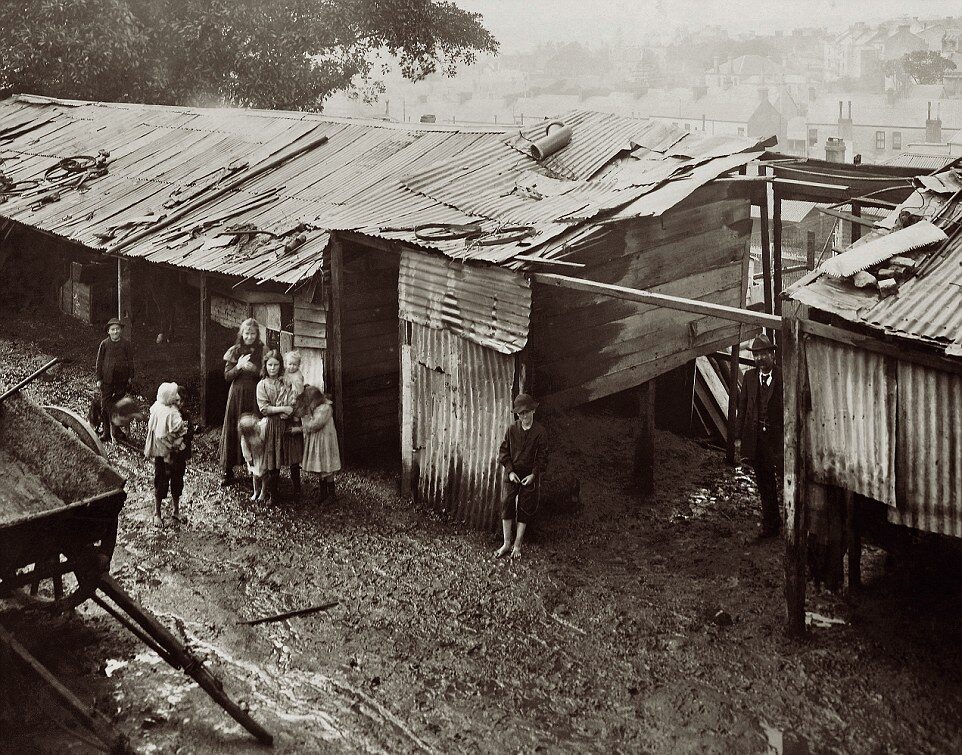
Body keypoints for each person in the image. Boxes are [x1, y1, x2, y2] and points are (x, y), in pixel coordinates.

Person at [735, 334, 784, 539]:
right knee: (764, 482)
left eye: (764, 354)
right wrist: (738, 438)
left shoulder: (783, 377)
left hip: (778, 442)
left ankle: (790, 523)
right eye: (756, 355)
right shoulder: (749, 378)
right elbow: (743, 407)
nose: (760, 359)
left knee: (785, 481)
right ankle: (771, 524)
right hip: (757, 440)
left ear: (772, 355)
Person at [495, 393, 547, 560]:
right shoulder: (512, 430)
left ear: (533, 411)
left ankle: (517, 544)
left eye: (526, 412)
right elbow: (504, 452)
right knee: (506, 503)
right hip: (512, 473)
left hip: (529, 475)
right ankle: (506, 543)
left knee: (524, 506)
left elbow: (542, 457)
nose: (524, 416)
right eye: (520, 413)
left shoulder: (540, 432)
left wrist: (533, 474)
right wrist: (510, 472)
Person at [219, 318, 264, 486]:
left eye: (253, 333)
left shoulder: (262, 350)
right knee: (233, 428)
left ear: (257, 334)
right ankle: (228, 470)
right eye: (247, 333)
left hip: (255, 395)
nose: (250, 337)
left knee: (253, 429)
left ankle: (257, 470)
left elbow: (268, 373)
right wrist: (238, 367)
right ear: (241, 334)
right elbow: (227, 376)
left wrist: (255, 370)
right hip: (237, 395)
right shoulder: (235, 351)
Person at [144, 382, 188, 527]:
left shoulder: (180, 413)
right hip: (162, 455)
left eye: (180, 399)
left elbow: (187, 431)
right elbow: (159, 432)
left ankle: (176, 510)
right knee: (161, 482)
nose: (178, 400)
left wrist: (183, 437)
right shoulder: (161, 411)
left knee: (177, 482)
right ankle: (157, 513)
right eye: (175, 397)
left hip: (178, 456)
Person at [256, 350, 297, 502]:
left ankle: (296, 491)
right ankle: (273, 494)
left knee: (290, 457)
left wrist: (289, 410)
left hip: (286, 424)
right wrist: (282, 409)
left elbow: (292, 400)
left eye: (276, 365)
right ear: (265, 366)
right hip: (272, 426)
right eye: (270, 365)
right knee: (273, 460)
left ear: (280, 366)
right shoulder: (262, 385)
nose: (272, 368)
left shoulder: (285, 383)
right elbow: (264, 409)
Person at [292, 385, 341, 505]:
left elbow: (315, 425)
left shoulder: (325, 408)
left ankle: (332, 494)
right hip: (317, 440)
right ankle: (323, 493)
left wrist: (300, 429)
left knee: (327, 467)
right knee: (320, 466)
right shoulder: (316, 407)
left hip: (325, 441)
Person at [95, 317, 134, 442]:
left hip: (121, 381)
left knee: (118, 406)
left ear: (120, 331)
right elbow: (99, 362)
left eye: (117, 329)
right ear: (108, 331)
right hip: (107, 380)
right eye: (113, 329)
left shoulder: (126, 344)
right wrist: (99, 378)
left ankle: (116, 431)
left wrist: (130, 377)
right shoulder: (104, 344)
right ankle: (107, 432)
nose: (115, 332)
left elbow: (130, 361)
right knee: (105, 406)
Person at [239, 413, 269, 503]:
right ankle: (256, 491)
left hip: (263, 456)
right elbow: (245, 451)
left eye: (256, 424)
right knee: (255, 476)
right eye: (254, 426)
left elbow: (265, 421)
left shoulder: (261, 428)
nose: (257, 426)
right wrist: (249, 460)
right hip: (254, 458)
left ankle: (263, 492)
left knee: (265, 475)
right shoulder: (245, 439)